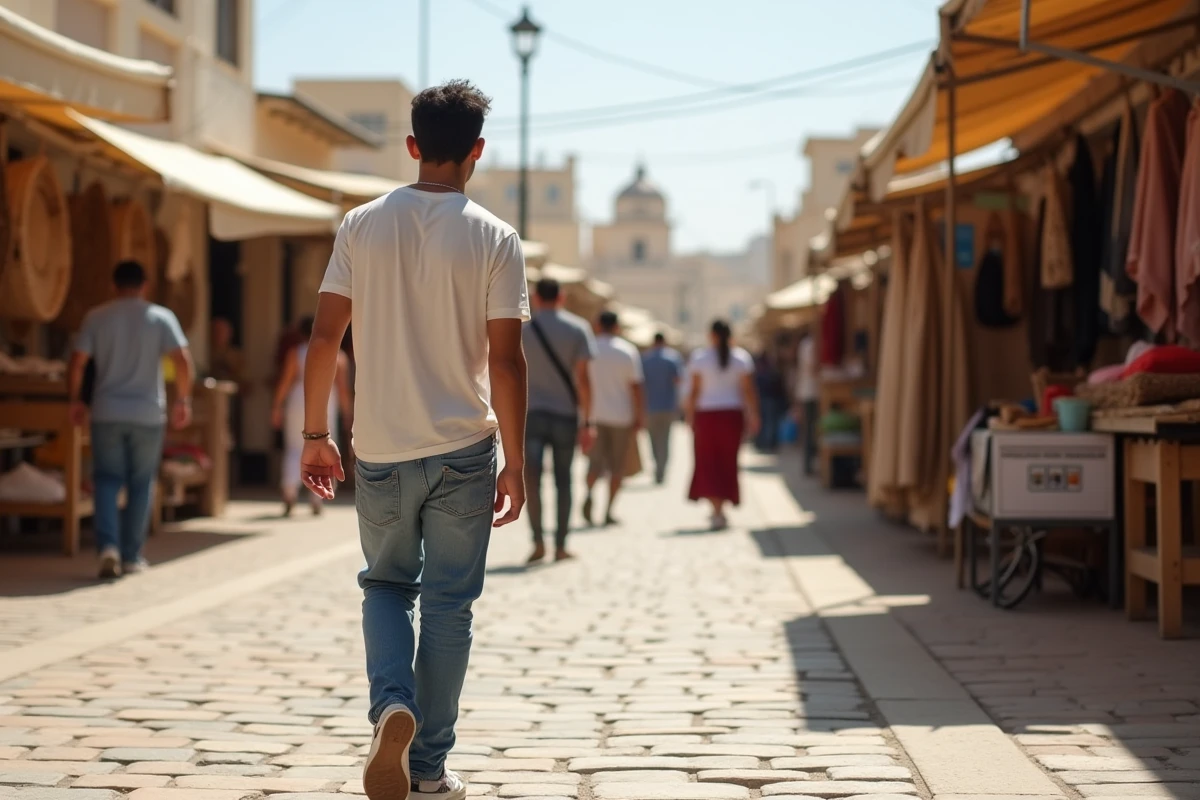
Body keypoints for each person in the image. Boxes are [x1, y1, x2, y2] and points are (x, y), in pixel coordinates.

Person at [299, 80, 529, 800]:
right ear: (477, 152)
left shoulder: (361, 224)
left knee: (387, 586)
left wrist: (316, 435)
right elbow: (507, 359)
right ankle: (427, 767)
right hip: (465, 447)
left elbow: (325, 336)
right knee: (450, 607)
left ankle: (390, 705)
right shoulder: (496, 237)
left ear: (411, 146)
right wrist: (516, 461)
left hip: (383, 446)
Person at [67, 260, 193, 578]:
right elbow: (182, 359)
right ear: (145, 284)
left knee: (107, 480)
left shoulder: (97, 317)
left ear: (113, 285)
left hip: (106, 410)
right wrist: (183, 398)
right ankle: (131, 556)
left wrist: (76, 400)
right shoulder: (160, 317)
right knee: (141, 482)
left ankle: (107, 547)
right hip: (148, 413)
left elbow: (78, 362)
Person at [523, 278, 596, 562]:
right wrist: (588, 421)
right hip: (565, 415)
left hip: (531, 415)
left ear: (535, 297)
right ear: (562, 297)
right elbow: (584, 380)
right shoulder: (578, 328)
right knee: (564, 481)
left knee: (533, 480)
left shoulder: (522, 330)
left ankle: (538, 541)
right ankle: (562, 545)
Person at [271, 316, 353, 517]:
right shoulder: (338, 355)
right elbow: (343, 390)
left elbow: (285, 382)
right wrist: (347, 414)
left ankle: (289, 491)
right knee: (324, 444)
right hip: (327, 400)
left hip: (299, 398)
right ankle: (318, 496)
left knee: (294, 445)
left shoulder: (296, 353)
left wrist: (277, 406)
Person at [685, 320, 759, 531]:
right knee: (728, 461)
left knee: (707, 461)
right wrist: (753, 414)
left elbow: (694, 392)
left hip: (707, 416)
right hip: (731, 416)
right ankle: (720, 509)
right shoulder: (741, 358)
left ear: (712, 335)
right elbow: (748, 391)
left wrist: (689, 416)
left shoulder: (700, 358)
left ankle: (716, 508)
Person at [583, 311, 644, 527]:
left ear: (598, 324)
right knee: (617, 467)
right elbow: (636, 387)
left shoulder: (589, 348)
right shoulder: (627, 351)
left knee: (594, 463)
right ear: (617, 326)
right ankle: (608, 510)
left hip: (594, 416)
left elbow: (580, 381)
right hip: (621, 416)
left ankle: (589, 494)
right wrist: (639, 416)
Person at [641, 332, 683, 484]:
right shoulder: (673, 358)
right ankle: (661, 468)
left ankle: (657, 465)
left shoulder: (645, 359)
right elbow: (678, 381)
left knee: (652, 438)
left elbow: (640, 384)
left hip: (650, 406)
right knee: (665, 438)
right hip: (668, 406)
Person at [795, 329, 819, 476]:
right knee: (810, 429)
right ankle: (809, 464)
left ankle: (809, 463)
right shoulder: (809, 345)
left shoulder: (806, 345)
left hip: (808, 391)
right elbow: (812, 368)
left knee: (809, 429)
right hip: (811, 392)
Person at [754, 353, 786, 452]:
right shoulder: (771, 373)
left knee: (767, 423)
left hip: (765, 400)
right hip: (770, 401)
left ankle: (766, 443)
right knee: (769, 423)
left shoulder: (761, 374)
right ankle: (767, 443)